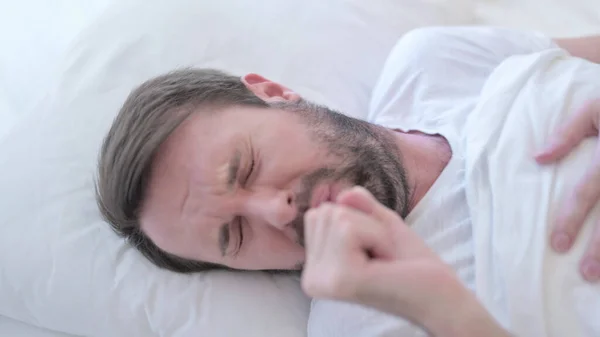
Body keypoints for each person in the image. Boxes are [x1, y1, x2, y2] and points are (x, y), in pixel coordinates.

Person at [95, 26, 600, 335]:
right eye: (236, 235)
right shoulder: (365, 324)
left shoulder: (432, 63)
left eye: (245, 168)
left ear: (273, 93)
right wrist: (444, 312)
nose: (276, 211)